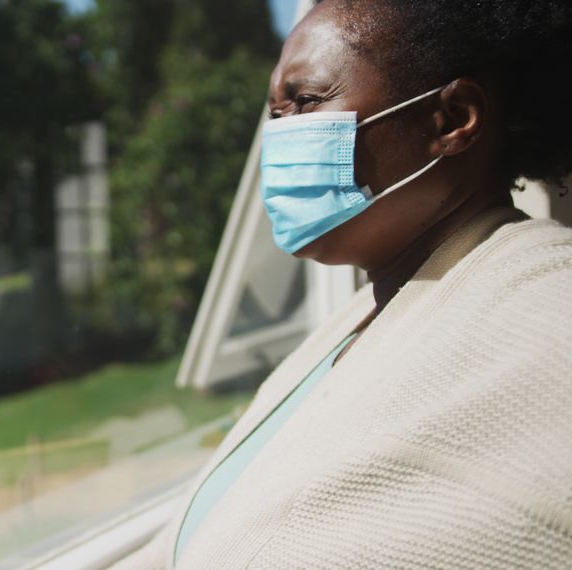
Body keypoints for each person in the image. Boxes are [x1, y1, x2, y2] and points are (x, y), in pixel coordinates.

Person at [114, 0, 572, 567]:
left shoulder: (550, 323)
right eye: (275, 114)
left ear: (451, 120)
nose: (281, 137)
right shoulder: (353, 321)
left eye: (305, 102)